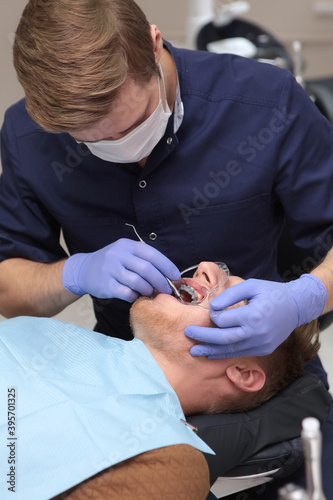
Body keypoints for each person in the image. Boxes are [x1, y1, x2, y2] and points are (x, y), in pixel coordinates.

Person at [1, 0, 333, 494]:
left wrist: (304, 297)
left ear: (153, 45)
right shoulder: (30, 135)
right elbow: (9, 287)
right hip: (105, 353)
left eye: (128, 126)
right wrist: (74, 272)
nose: (117, 144)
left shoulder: (268, 104)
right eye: (91, 142)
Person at [0, 262, 322, 499]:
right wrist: (75, 270)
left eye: (238, 294)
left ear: (243, 373)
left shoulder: (169, 463)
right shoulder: (53, 337)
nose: (206, 267)